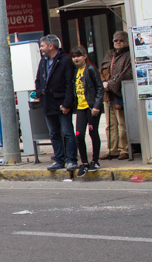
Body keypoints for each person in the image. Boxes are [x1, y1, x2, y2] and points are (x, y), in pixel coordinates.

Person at [35, 35, 78, 171]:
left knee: (67, 132)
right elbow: (38, 80)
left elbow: (69, 84)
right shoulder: (43, 62)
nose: (40, 48)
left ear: (50, 46)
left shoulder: (65, 61)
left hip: (61, 102)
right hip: (48, 103)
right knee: (54, 133)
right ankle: (59, 159)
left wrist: (67, 104)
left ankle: (71, 159)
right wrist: (40, 94)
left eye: (42, 46)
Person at [100, 31, 133, 160]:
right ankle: (111, 149)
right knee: (110, 124)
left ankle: (124, 149)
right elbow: (103, 68)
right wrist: (105, 82)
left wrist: (112, 83)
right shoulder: (110, 54)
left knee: (122, 123)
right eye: (116, 40)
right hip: (108, 94)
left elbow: (127, 72)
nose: (118, 43)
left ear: (126, 41)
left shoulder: (129, 55)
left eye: (121, 40)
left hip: (120, 92)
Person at [71, 47, 104, 173]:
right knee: (79, 135)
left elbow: (100, 88)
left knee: (93, 133)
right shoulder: (75, 71)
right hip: (80, 107)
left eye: (78, 56)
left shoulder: (91, 69)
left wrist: (96, 106)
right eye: (74, 57)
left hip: (91, 107)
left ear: (85, 56)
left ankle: (95, 161)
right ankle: (84, 162)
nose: (76, 59)